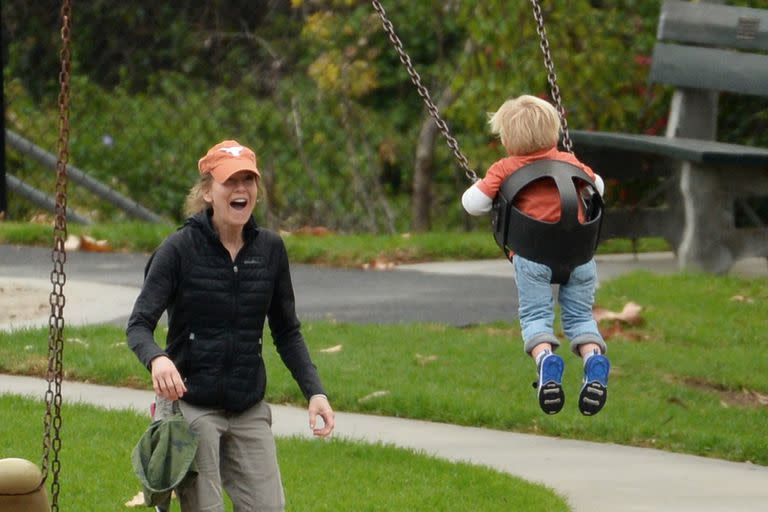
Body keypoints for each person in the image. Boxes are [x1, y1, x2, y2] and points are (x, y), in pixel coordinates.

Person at [126, 139, 335, 511]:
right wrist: (158, 359)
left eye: (248, 180)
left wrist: (315, 392)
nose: (241, 190)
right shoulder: (178, 249)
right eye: (230, 181)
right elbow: (139, 325)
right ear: (207, 191)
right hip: (191, 405)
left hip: (247, 405)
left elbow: (287, 331)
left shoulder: (270, 250)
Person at [461, 95, 610, 416]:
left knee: (535, 318)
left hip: (533, 257)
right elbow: (598, 186)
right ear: (554, 133)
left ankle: (545, 360)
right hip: (580, 256)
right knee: (581, 317)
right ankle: (593, 357)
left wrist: (481, 186)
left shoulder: (504, 167)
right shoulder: (569, 162)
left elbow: (472, 205)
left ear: (506, 139)